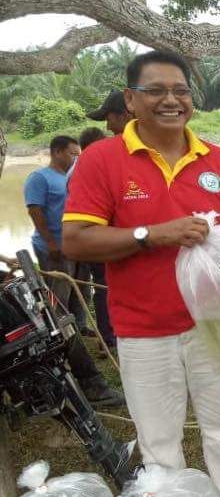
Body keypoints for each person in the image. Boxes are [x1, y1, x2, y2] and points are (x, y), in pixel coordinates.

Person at [62, 50, 220, 497]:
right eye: (156, 91)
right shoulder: (102, 159)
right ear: (131, 99)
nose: (171, 100)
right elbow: (75, 240)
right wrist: (150, 235)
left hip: (212, 326)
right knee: (160, 444)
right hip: (143, 329)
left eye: (181, 90)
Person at [23, 135, 92, 335]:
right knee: (59, 291)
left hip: (78, 245)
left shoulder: (73, 176)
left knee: (81, 288)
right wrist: (51, 243)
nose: (76, 159)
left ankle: (81, 326)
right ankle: (63, 332)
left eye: (79, 156)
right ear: (57, 152)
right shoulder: (39, 177)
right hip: (54, 246)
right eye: (73, 154)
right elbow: (34, 210)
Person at [70, 127, 116, 350]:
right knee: (103, 287)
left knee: (105, 286)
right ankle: (107, 337)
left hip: (103, 238)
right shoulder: (83, 170)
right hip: (95, 240)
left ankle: (108, 333)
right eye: (102, 141)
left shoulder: (92, 166)